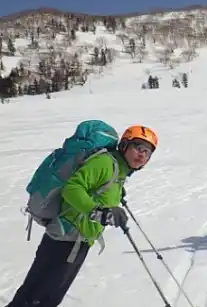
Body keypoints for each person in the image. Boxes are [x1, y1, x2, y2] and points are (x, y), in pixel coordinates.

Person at [5, 125, 158, 307]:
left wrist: (113, 196)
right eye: (138, 147)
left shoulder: (119, 170)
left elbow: (96, 189)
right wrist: (98, 212)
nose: (142, 155)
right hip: (66, 238)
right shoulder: (105, 163)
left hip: (75, 239)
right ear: (124, 145)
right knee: (41, 298)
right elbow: (72, 188)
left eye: (147, 152)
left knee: (35, 293)